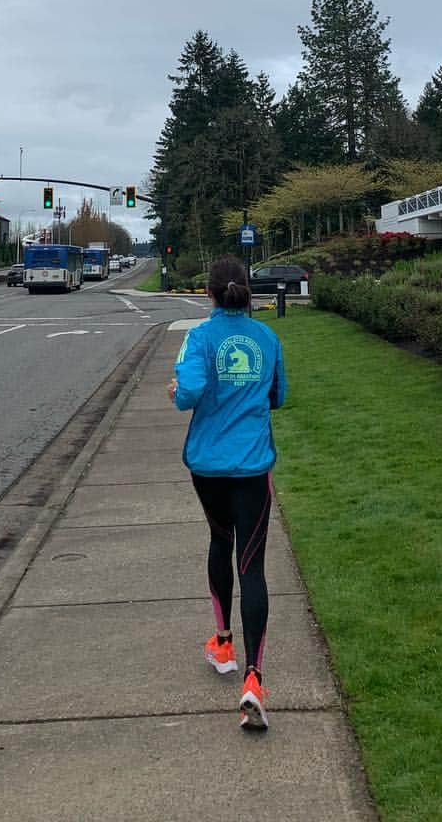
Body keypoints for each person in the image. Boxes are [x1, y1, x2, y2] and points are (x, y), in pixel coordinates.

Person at [168, 255, 287, 731]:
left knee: (220, 541)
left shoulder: (198, 337)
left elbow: (188, 394)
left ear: (210, 293)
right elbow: (278, 397)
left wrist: (177, 388)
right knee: (251, 563)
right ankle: (254, 681)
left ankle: (223, 643)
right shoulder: (268, 337)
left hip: (209, 466)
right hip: (253, 465)